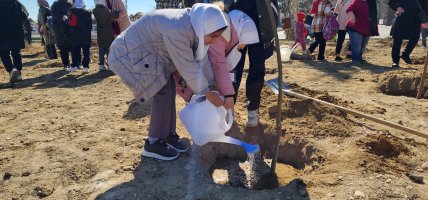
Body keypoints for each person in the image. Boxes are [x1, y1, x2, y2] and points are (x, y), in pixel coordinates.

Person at [108, 3, 228, 161]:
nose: (213, 41)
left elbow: (202, 61)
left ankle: (168, 135)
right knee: (161, 91)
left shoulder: (194, 24)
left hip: (149, 56)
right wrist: (207, 92)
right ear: (204, 28)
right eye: (213, 36)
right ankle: (153, 143)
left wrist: (212, 86)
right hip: (127, 54)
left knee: (169, 87)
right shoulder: (179, 28)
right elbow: (187, 66)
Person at [174, 5, 260, 115]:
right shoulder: (221, 35)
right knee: (202, 102)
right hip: (192, 74)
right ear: (240, 32)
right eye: (245, 41)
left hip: (196, 75)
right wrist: (228, 95)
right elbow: (218, 64)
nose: (244, 46)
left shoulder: (226, 33)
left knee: (207, 98)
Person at [230, 0, 278, 127]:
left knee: (257, 68)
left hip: (261, 21)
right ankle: (228, 108)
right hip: (237, 18)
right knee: (232, 66)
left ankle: (253, 109)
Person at [389, 0, 428, 68]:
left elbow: (425, 6)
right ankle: (395, 61)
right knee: (397, 39)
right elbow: (391, 2)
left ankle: (405, 54)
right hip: (402, 18)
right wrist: (398, 7)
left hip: (415, 19)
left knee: (415, 37)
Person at [0, 0, 28, 83]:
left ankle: (11, 70)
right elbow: (24, 15)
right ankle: (18, 73)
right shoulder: (16, 2)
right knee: (16, 52)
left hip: (2, 32)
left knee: (3, 53)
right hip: (16, 31)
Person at [67, 0, 92, 73]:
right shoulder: (88, 13)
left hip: (76, 36)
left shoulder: (74, 13)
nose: (71, 4)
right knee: (86, 52)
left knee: (75, 52)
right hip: (86, 36)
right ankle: (86, 67)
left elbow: (73, 23)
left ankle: (74, 66)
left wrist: (66, 20)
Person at [93, 0, 118, 71]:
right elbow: (116, 15)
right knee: (108, 50)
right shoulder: (106, 10)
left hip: (100, 33)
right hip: (108, 33)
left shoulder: (94, 11)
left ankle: (101, 65)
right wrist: (115, 11)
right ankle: (110, 66)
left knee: (101, 50)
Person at [51, 0, 72, 69]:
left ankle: (66, 64)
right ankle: (73, 63)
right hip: (65, 28)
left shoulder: (55, 4)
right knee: (69, 47)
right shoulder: (68, 4)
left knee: (64, 48)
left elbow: (54, 17)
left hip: (61, 29)